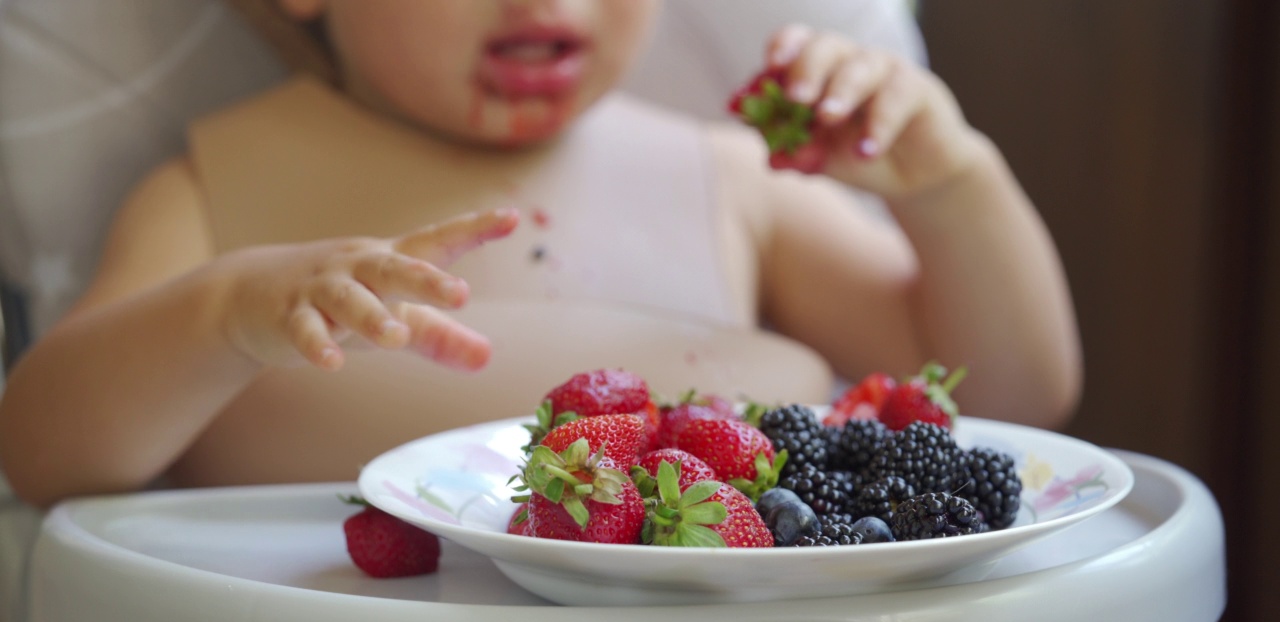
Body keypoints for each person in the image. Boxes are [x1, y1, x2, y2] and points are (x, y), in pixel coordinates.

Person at [0, 0, 1081, 509]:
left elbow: (1005, 396)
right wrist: (224, 317)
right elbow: (49, 452)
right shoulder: (217, 189)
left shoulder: (730, 179)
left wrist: (951, 187)